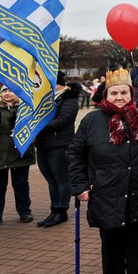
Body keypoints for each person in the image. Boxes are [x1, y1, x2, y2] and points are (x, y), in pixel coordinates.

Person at [68, 67, 138, 274]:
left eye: (124, 92)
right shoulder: (91, 120)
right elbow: (75, 154)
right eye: (114, 93)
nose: (119, 97)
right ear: (104, 96)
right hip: (108, 191)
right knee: (111, 242)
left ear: (131, 94)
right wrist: (80, 186)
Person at [0, 86, 35, 229]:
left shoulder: (25, 107)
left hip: (19, 152)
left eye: (11, 90)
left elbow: (34, 126)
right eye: (4, 91)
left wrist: (21, 124)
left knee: (21, 184)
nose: (7, 93)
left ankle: (24, 212)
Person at [33, 71, 79, 228]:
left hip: (60, 145)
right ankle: (54, 210)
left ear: (59, 84)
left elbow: (62, 121)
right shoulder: (43, 99)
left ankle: (62, 210)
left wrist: (37, 126)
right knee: (51, 179)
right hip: (43, 144)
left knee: (61, 179)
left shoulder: (69, 99)